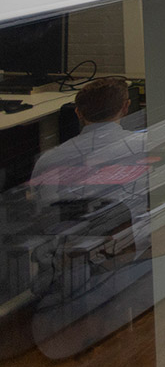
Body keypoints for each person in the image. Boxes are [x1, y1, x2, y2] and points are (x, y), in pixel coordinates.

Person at [30, 77, 150, 247]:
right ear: (126, 107)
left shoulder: (49, 160)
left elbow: (42, 207)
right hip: (130, 246)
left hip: (68, 249)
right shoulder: (146, 145)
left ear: (78, 113)